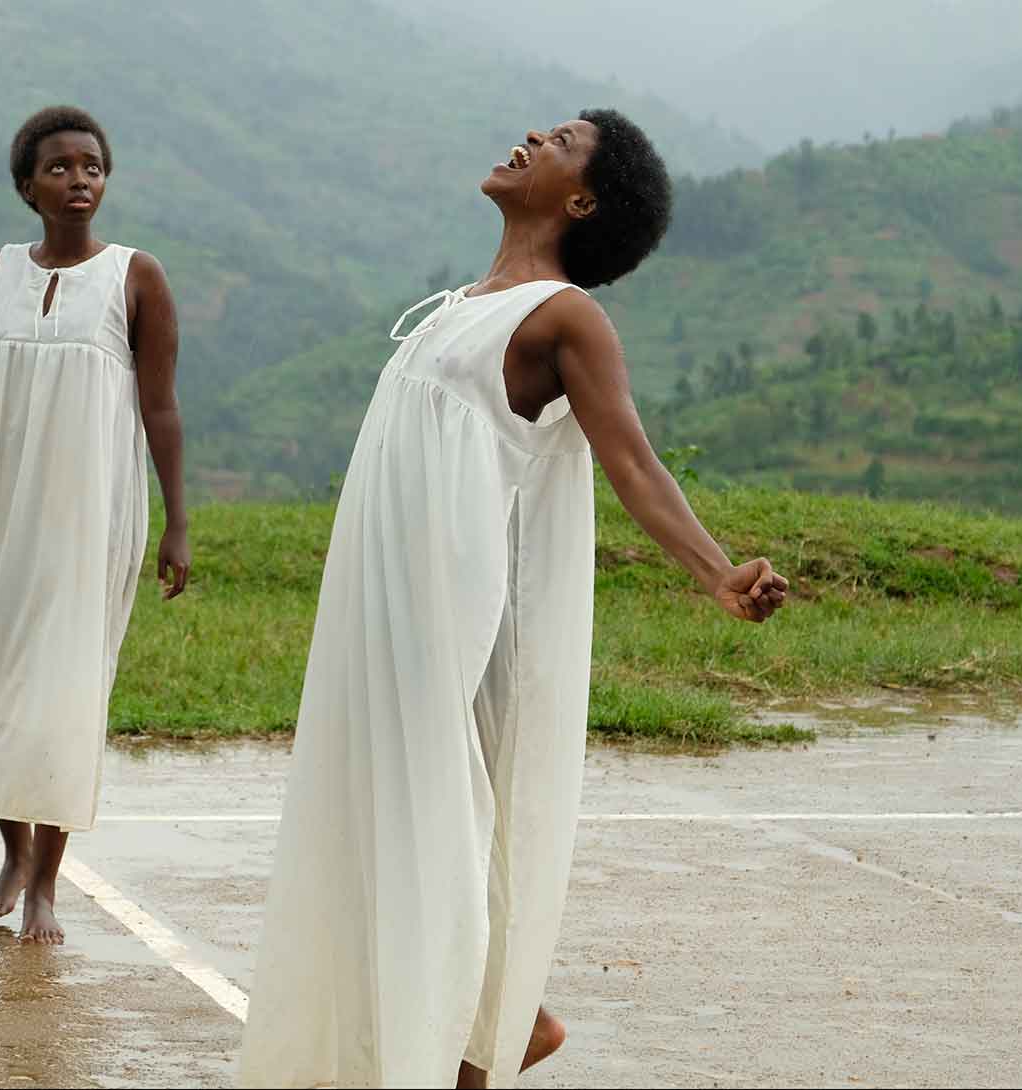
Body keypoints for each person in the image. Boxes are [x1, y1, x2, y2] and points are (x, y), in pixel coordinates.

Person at [236, 110, 789, 1088]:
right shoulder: (457, 304)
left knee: (442, 826)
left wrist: (715, 570)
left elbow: (633, 458)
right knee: (387, 819)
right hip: (385, 610)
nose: (533, 137)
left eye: (565, 141)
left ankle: (483, 1038)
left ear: (581, 199)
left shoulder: (565, 315)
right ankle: (501, 1023)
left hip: (458, 625)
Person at [0, 105, 190, 946]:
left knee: (66, 695)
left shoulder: (136, 276)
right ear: (27, 185)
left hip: (92, 511)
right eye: (63, 168)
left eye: (94, 167)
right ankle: (9, 851)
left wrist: (179, 523)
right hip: (4, 510)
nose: (81, 181)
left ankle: (46, 884)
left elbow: (161, 408)